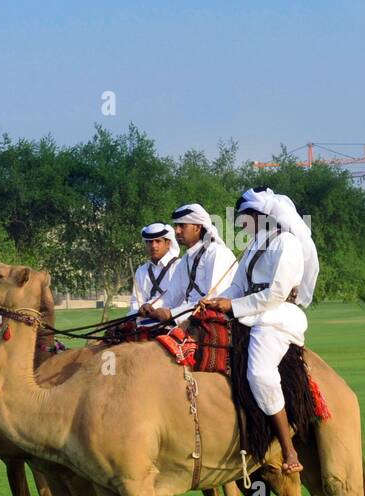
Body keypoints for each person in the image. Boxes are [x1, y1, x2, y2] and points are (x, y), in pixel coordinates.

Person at [199, 187, 319, 474]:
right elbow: (237, 286)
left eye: (245, 217)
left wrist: (233, 306)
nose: (241, 223)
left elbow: (276, 293)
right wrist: (215, 301)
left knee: (259, 373)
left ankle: (288, 450)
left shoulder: (287, 243)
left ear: (261, 216)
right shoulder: (254, 245)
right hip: (249, 311)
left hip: (275, 317)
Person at [144, 204, 237, 324]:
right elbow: (171, 296)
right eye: (176, 225)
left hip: (216, 322)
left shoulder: (217, 253)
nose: (177, 231)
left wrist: (172, 314)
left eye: (182, 226)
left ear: (197, 227)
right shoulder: (185, 260)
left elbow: (212, 301)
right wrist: (150, 306)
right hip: (192, 318)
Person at [130, 223, 180, 331]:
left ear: (168, 243)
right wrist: (140, 308)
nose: (153, 246)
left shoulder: (180, 267)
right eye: (149, 242)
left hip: (171, 325)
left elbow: (181, 299)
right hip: (142, 326)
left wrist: (157, 309)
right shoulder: (141, 270)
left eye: (158, 241)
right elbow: (135, 301)